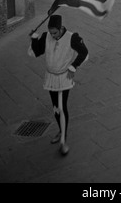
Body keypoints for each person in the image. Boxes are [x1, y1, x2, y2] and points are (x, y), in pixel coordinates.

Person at [28, 15, 89, 156]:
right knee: (55, 107)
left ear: (61, 28)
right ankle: (61, 130)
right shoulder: (46, 36)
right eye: (50, 32)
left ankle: (63, 141)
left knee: (61, 107)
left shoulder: (72, 37)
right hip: (50, 77)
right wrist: (34, 38)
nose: (53, 35)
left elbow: (84, 52)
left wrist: (74, 66)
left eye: (55, 32)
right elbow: (37, 52)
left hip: (64, 77)